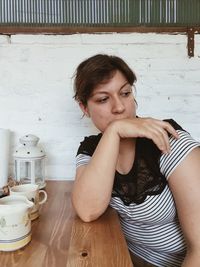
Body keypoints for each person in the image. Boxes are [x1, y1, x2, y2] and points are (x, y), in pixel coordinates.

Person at [71, 54, 200, 267]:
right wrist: (115, 131)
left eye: (125, 93)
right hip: (128, 256)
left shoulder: (168, 140)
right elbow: (88, 210)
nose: (120, 107)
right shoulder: (91, 149)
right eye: (103, 99)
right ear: (84, 108)